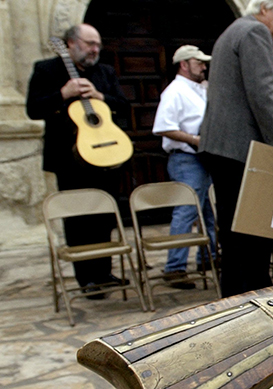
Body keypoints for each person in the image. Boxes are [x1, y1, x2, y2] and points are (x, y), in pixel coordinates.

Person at [198, 0, 273, 297]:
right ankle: (251, 294)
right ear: (265, 8)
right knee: (252, 229)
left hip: (223, 146)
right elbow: (261, 91)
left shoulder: (233, 30)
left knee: (234, 229)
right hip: (240, 148)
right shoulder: (254, 32)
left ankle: (240, 293)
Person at [26, 24, 130, 299]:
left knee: (105, 216)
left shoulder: (104, 72)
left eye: (97, 44)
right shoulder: (46, 70)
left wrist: (100, 97)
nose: (95, 49)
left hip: (105, 156)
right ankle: (87, 279)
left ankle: (104, 271)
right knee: (78, 219)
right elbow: (33, 108)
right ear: (70, 44)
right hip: (69, 159)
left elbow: (123, 104)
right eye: (89, 44)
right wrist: (63, 94)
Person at [152, 45, 217, 289]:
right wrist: (194, 140)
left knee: (209, 211)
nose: (203, 66)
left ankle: (207, 259)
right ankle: (175, 268)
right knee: (187, 211)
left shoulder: (200, 89)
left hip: (204, 157)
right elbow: (163, 127)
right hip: (186, 158)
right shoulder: (175, 91)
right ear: (183, 64)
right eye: (197, 62)